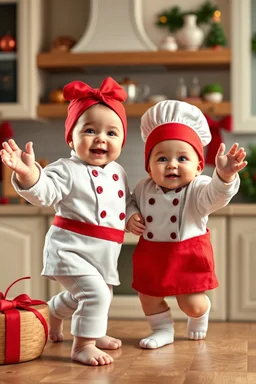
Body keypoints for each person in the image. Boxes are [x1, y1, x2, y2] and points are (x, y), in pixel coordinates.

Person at [0, 77, 134, 366]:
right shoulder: (66, 169)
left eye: (112, 132)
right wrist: (28, 174)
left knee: (94, 295)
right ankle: (83, 345)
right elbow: (44, 192)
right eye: (89, 130)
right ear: (71, 138)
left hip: (103, 252)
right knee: (95, 293)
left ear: (122, 140)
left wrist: (133, 216)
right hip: (69, 249)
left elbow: (127, 202)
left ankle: (58, 315)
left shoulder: (120, 172)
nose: (101, 138)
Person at [126, 100, 247, 349]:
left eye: (182, 158)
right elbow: (130, 202)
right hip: (151, 253)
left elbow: (216, 196)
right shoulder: (142, 188)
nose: (172, 164)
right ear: (149, 167)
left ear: (199, 166)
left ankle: (200, 314)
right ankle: (162, 330)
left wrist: (224, 177)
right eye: (162, 158)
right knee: (148, 296)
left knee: (190, 303)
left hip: (187, 253)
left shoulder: (199, 188)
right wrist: (131, 215)